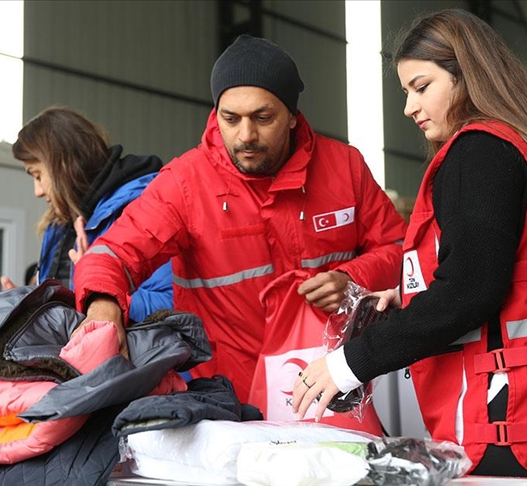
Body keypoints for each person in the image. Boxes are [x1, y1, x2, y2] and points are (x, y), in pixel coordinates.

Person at [292, 9, 527, 479]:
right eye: (406, 90)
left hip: (513, 419)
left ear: (468, 76)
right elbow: (490, 270)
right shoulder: (525, 146)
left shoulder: (479, 152)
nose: (409, 107)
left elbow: (469, 290)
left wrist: (349, 364)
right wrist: (410, 297)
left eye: (421, 86)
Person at [72, 34, 407, 427]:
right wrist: (101, 304)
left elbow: (401, 247)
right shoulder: (185, 183)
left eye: (262, 118)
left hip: (332, 396)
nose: (245, 135)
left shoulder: (345, 169)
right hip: (229, 407)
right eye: (230, 119)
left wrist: (352, 279)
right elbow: (113, 253)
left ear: (293, 116)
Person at [0, 106, 173, 324]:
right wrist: (29, 307)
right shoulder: (60, 226)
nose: (38, 191)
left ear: (64, 166)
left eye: (38, 175)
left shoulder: (143, 208)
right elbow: (68, 313)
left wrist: (95, 287)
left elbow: (170, 303)